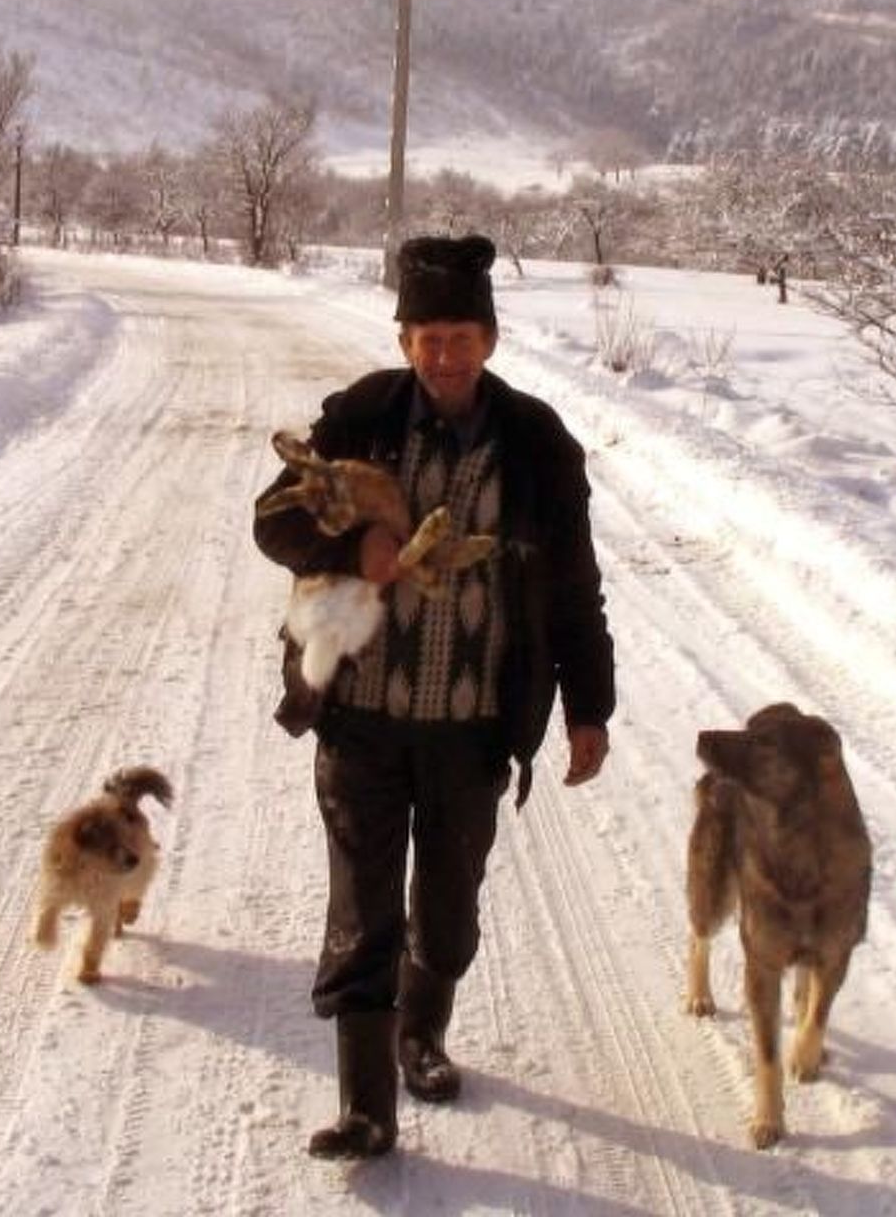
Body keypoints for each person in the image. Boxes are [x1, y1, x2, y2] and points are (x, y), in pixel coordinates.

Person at [253, 232, 617, 1160]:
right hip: (362, 719)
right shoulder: (362, 417)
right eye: (428, 338)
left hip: (471, 729)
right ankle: (367, 1107)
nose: (445, 355)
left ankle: (422, 1034)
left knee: (447, 913)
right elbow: (273, 522)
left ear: (488, 340)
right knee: (363, 909)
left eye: (461, 337)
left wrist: (589, 709)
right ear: (405, 340)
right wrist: (354, 549)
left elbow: (574, 587)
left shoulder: (536, 444)